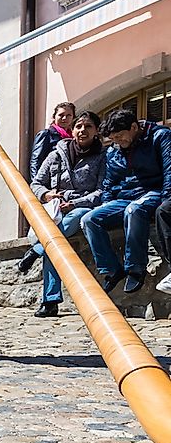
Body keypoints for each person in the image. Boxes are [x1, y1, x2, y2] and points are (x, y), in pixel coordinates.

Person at [22, 111, 105, 316]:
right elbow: (36, 183)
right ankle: (49, 300)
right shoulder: (56, 154)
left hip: (83, 207)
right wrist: (47, 195)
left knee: (58, 236)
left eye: (88, 127)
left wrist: (75, 202)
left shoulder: (103, 156)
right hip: (56, 210)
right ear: (72, 130)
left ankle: (37, 251)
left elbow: (102, 190)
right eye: (79, 126)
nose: (82, 131)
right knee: (55, 243)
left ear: (96, 131)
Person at [81, 107, 171, 293]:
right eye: (113, 140)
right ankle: (112, 270)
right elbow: (108, 182)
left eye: (120, 136)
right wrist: (106, 203)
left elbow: (169, 168)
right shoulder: (114, 151)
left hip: (153, 191)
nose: (118, 142)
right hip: (124, 197)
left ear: (133, 127)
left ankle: (135, 268)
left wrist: (167, 198)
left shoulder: (160, 136)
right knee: (89, 219)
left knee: (134, 210)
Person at [29, 102, 76, 179]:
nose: (64, 118)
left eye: (68, 115)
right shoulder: (46, 134)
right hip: (48, 179)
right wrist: (36, 184)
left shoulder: (73, 138)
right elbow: (36, 161)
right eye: (61, 115)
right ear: (54, 117)